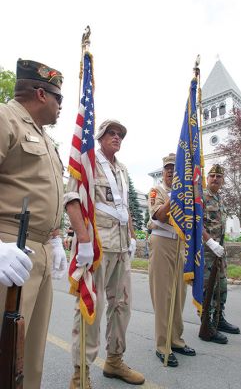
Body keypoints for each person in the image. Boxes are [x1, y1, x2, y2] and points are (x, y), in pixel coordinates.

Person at [0, 59, 67, 388]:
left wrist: (55, 238)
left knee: (30, 358)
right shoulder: (4, 119)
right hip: (9, 249)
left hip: (38, 251)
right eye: (59, 99)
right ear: (41, 94)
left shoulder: (47, 140)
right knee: (3, 355)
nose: (60, 108)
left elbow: (45, 194)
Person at [65, 119, 145, 388]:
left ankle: (114, 360)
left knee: (121, 307)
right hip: (99, 248)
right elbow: (72, 198)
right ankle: (81, 372)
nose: (116, 137)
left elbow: (123, 208)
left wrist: (133, 237)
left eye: (120, 134)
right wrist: (84, 241)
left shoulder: (121, 169)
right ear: (99, 137)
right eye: (111, 133)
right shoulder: (88, 162)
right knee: (92, 309)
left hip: (121, 247)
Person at [147, 153, 196, 368]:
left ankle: (176, 339)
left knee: (179, 295)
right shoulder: (157, 191)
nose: (170, 171)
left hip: (180, 244)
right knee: (163, 295)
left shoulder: (186, 192)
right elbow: (159, 215)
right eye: (167, 168)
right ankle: (162, 344)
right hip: (162, 241)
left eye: (174, 168)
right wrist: (174, 197)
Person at [199, 164, 240, 344]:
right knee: (208, 290)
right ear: (207, 179)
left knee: (222, 288)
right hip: (207, 252)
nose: (215, 178)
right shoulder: (202, 198)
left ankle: (218, 319)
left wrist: (220, 247)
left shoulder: (220, 199)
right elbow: (195, 222)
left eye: (218, 176)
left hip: (219, 253)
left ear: (223, 180)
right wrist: (210, 242)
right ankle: (206, 326)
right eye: (212, 175)